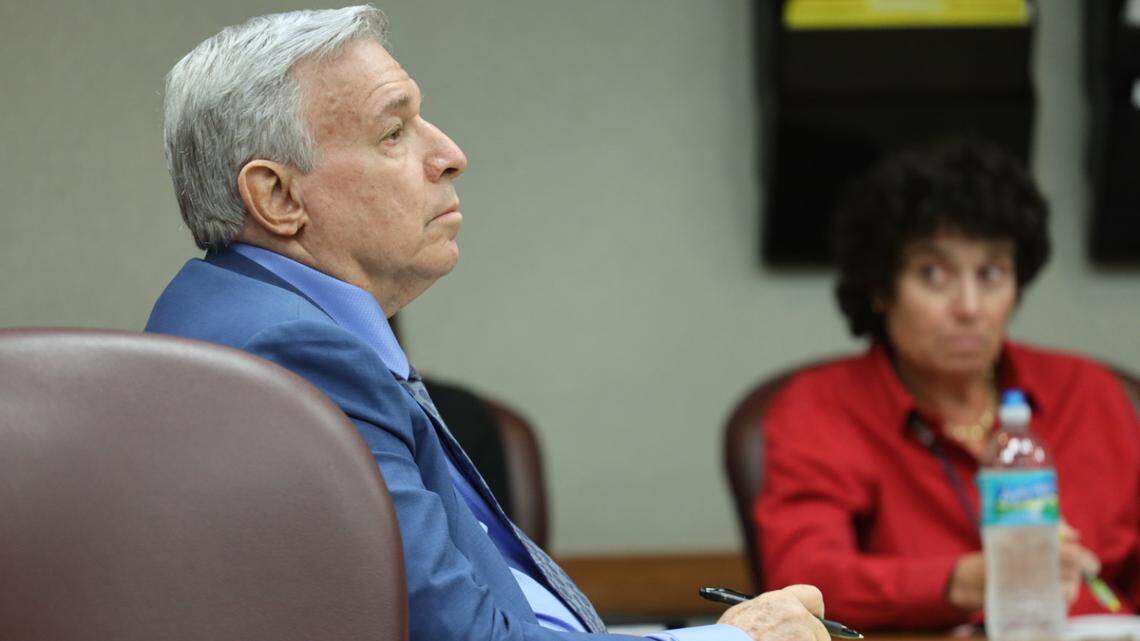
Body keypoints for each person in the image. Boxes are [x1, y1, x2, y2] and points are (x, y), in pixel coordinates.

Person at [146, 6, 828, 641]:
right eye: (394, 132)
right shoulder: (292, 353)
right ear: (277, 195)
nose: (448, 154)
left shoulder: (238, 312)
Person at [753, 139, 1140, 631]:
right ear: (880, 287)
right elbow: (802, 583)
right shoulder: (820, 408)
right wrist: (964, 580)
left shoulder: (1087, 392)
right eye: (933, 274)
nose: (970, 307)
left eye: (992, 272)